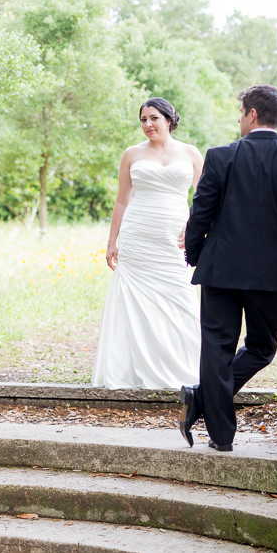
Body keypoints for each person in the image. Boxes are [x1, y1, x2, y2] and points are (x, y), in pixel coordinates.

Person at [178, 84, 277, 452]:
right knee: (261, 348)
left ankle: (217, 430)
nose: (239, 121)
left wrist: (195, 255)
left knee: (217, 351)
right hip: (271, 276)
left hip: (219, 270)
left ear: (252, 114)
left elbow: (199, 214)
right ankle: (203, 404)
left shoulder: (220, 156)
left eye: (241, 114)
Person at [91, 97, 204, 389]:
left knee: (179, 297)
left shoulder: (190, 153)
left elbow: (204, 198)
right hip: (137, 235)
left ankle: (183, 369)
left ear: (168, 119)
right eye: (143, 120)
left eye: (153, 118)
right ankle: (130, 370)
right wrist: (111, 241)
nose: (147, 125)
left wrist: (195, 227)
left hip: (174, 240)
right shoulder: (131, 154)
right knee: (134, 302)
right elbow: (122, 200)